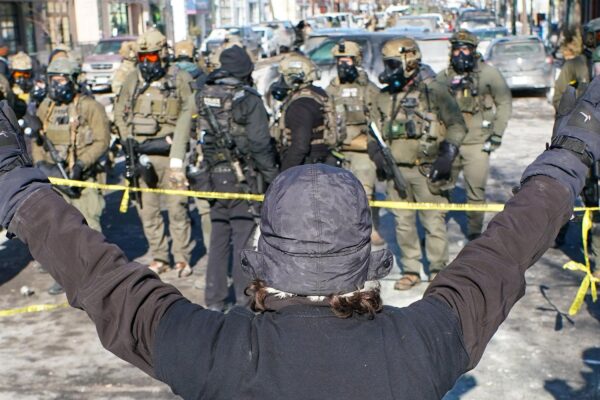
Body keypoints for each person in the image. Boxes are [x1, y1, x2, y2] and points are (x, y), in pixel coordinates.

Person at [0, 73, 596, 398]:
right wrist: (568, 159)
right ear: (368, 257)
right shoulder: (421, 345)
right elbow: (502, 252)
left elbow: (101, 276)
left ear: (259, 259)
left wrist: (18, 185)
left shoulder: (214, 353)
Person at [173, 45, 277, 310]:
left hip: (209, 176)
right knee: (244, 237)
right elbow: (260, 143)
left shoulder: (204, 92)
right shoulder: (247, 98)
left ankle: (215, 299)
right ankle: (244, 302)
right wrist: (272, 177)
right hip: (241, 177)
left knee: (219, 237)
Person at [372, 37, 467, 290]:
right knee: (403, 224)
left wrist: (447, 154)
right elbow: (372, 128)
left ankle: (438, 272)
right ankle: (411, 270)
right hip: (397, 172)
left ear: (409, 61)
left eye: (393, 65)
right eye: (386, 65)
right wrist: (377, 154)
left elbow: (457, 125)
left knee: (433, 223)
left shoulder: (435, 91)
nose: (388, 71)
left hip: (427, 170)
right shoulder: (384, 97)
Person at [113, 29, 194, 276]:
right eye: (143, 57)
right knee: (147, 210)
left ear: (162, 54)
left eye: (152, 57)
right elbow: (119, 112)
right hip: (141, 154)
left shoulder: (179, 78)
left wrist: (178, 153)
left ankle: (182, 258)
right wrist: (128, 142)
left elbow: (188, 114)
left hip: (172, 156)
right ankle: (160, 256)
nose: (148, 62)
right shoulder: (133, 80)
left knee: (178, 208)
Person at [31, 58, 110, 294]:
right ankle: (66, 275)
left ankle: (99, 274)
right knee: (59, 229)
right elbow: (38, 141)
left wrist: (82, 164)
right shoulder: (47, 107)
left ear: (73, 80)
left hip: (83, 178)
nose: (57, 85)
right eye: (53, 80)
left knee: (90, 227)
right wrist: (44, 166)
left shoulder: (90, 107)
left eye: (62, 80)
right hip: (56, 178)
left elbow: (102, 140)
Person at [435, 29, 512, 241]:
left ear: (474, 50)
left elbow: (504, 102)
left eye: (466, 49)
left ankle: (475, 233)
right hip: (449, 144)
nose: (461, 54)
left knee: (475, 191)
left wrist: (496, 134)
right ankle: (436, 231)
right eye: (457, 49)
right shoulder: (443, 77)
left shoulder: (488, 74)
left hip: (477, 144)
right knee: (441, 189)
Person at [325, 40, 383, 244]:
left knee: (365, 191)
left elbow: (378, 118)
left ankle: (370, 228)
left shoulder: (368, 88)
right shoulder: (332, 89)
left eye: (347, 59)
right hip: (338, 147)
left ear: (356, 61)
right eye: (339, 60)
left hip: (362, 148)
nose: (343, 64)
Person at [270, 52, 341, 170]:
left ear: (295, 78)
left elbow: (300, 147)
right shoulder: (319, 94)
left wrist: (284, 174)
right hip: (324, 161)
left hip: (307, 168)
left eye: (284, 77)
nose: (281, 82)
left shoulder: (300, 106)